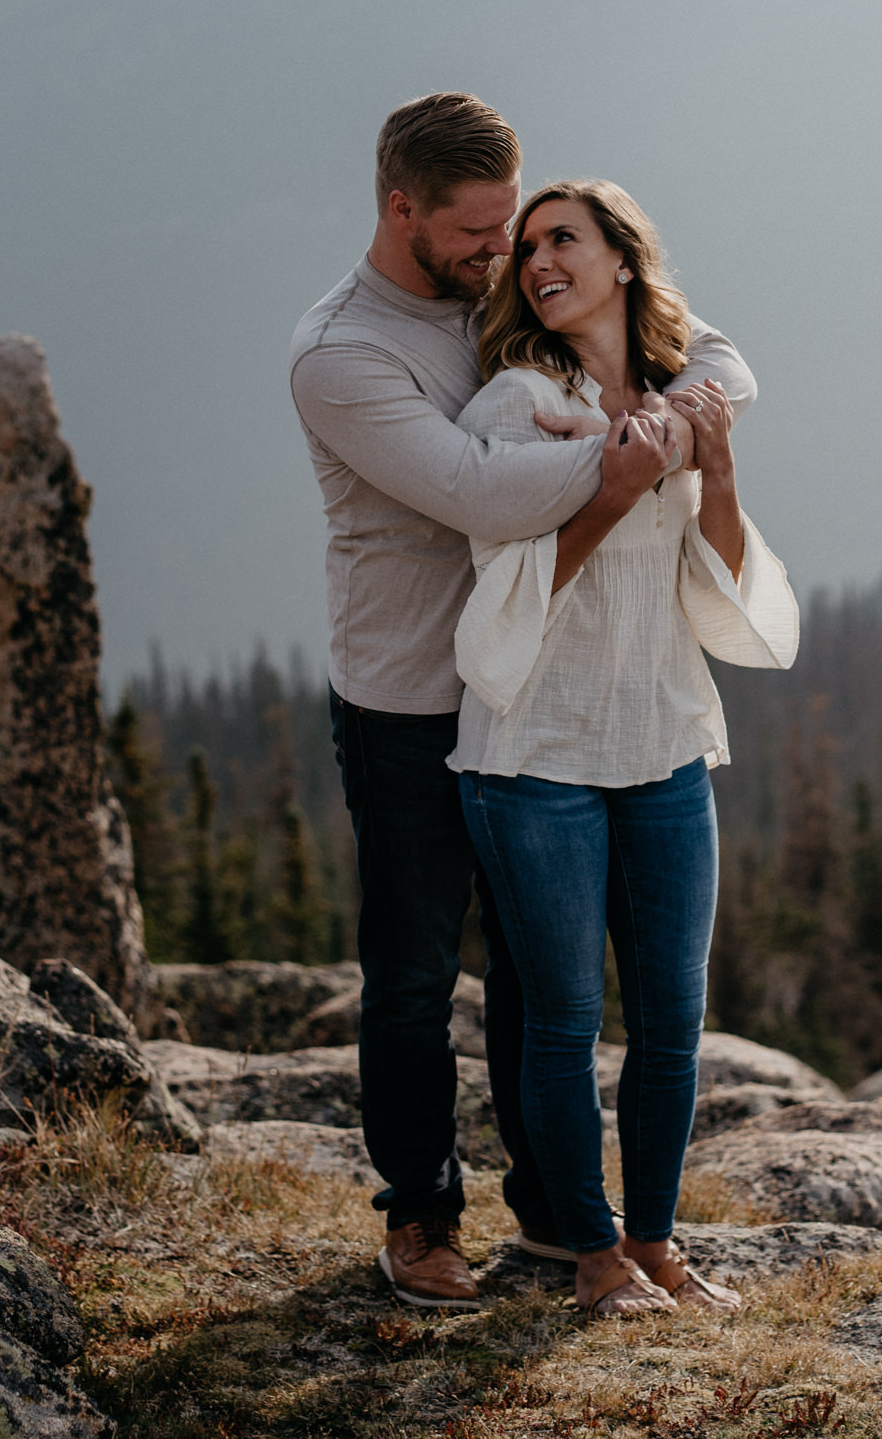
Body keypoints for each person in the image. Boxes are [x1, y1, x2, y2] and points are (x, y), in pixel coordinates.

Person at [289, 93, 756, 1309]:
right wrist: (631, 453)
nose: (505, 251)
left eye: (519, 224)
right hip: (412, 694)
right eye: (479, 230)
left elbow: (705, 351)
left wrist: (665, 408)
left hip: (546, 693)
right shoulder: (344, 352)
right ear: (403, 209)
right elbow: (483, 494)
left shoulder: (509, 299)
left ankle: (555, 1218)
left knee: (538, 979)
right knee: (412, 970)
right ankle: (422, 1212)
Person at [450, 179, 799, 1320]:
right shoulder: (512, 404)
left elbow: (723, 568)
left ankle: (655, 1243)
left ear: (622, 259)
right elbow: (508, 586)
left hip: (662, 741)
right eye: (529, 247)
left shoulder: (687, 389)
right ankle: (590, 1254)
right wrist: (613, 483)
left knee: (670, 1018)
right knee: (560, 1016)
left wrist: (713, 463)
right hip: (535, 751)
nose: (539, 259)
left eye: (565, 239)